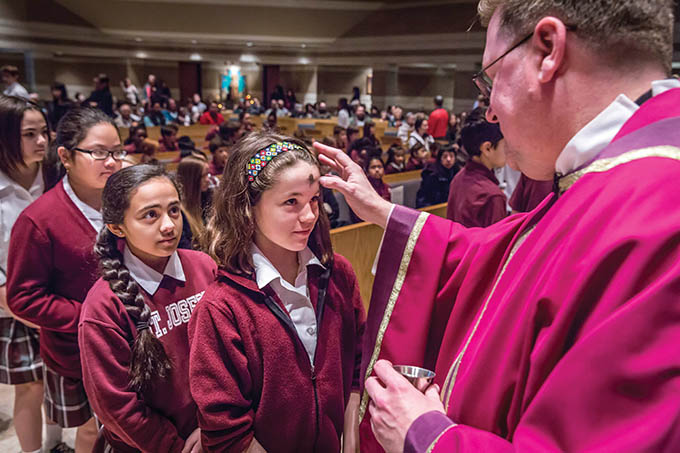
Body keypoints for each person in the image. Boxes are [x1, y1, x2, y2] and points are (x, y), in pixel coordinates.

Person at [315, 0, 680, 451]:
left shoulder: (659, 205)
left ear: (548, 49)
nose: (488, 112)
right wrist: (381, 211)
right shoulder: (617, 178)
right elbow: (510, 255)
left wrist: (426, 434)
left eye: (490, 79)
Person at [188, 132, 365, 453]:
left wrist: (350, 440)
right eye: (291, 202)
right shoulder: (222, 306)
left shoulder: (338, 274)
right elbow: (225, 425)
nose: (310, 216)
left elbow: (358, 365)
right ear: (247, 208)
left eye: (314, 199)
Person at [7, 107, 125, 452]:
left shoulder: (124, 200)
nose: (112, 162)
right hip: (76, 350)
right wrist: (87, 317)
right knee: (91, 433)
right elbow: (23, 297)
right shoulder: (39, 219)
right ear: (66, 156)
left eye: (117, 151)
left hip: (131, 343)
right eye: (99, 153)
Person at [78, 164, 216, 453]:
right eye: (150, 215)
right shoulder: (103, 306)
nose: (168, 225)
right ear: (117, 227)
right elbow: (116, 405)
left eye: (174, 211)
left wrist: (216, 425)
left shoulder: (205, 266)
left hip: (215, 430)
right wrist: (174, 447)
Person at [0, 96, 71, 453]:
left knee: (59, 378)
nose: (43, 141)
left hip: (54, 295)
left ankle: (56, 444)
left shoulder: (55, 175)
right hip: (12, 303)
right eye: (30, 134)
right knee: (29, 386)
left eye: (44, 131)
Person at [446, 118, 507, 226]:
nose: (509, 151)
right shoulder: (492, 196)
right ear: (487, 148)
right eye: (505, 145)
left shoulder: (458, 177)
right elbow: (497, 242)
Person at [176, 156, 212, 246]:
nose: (208, 180)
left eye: (208, 174)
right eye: (203, 176)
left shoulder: (209, 198)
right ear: (191, 179)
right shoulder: (178, 211)